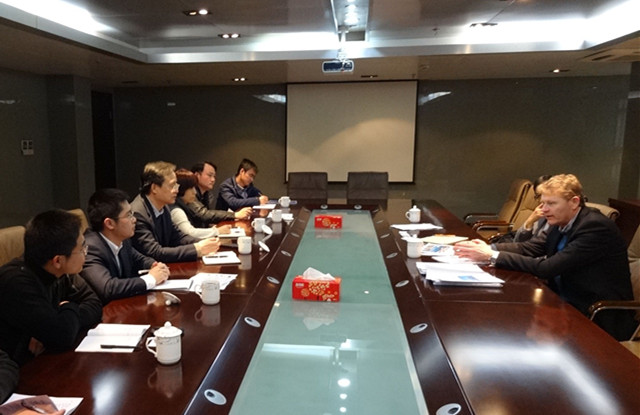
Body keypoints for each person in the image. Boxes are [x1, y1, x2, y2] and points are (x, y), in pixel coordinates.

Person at [454, 174, 636, 340]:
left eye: (551, 203)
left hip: (593, 312)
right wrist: (488, 248)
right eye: (542, 203)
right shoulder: (561, 220)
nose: (544, 209)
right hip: (560, 301)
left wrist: (492, 256)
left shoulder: (595, 227)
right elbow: (531, 247)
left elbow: (547, 267)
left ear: (574, 202)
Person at [0, 210, 102, 365]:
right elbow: (62, 336)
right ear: (58, 261)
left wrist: (64, 315)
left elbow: (94, 302)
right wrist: (67, 309)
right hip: (16, 369)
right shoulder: (17, 282)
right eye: (81, 249)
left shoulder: (61, 271)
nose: (85, 253)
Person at [81, 188, 170, 304]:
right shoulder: (90, 248)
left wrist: (155, 266)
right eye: (128, 215)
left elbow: (139, 259)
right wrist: (151, 279)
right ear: (109, 223)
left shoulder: (123, 240)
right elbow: (108, 288)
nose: (134, 219)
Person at [130, 161, 221, 262]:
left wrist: (206, 242)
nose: (176, 190)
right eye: (172, 186)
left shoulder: (163, 206)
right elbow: (154, 252)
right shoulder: (138, 214)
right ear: (154, 188)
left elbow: (178, 236)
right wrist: (196, 249)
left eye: (176, 185)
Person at [170, 169, 231, 239]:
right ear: (181, 189)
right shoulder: (176, 211)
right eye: (191, 188)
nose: (194, 192)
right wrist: (217, 231)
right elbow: (190, 233)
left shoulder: (184, 204)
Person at [189, 161, 251, 226]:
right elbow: (204, 214)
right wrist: (235, 215)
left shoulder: (206, 195)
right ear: (197, 175)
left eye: (214, 176)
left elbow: (206, 221)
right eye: (209, 175)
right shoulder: (189, 193)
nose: (213, 179)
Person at [512, 175, 552, 242]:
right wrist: (530, 221)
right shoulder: (539, 215)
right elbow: (517, 241)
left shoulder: (558, 217)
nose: (541, 199)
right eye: (538, 196)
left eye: (544, 194)